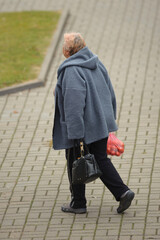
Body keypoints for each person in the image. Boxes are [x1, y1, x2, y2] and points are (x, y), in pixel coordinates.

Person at [52, 32, 135, 214]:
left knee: (75, 160)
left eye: (63, 46)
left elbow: (74, 106)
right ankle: (122, 192)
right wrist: (109, 121)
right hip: (100, 123)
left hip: (82, 127)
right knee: (99, 159)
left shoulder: (71, 70)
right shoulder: (96, 62)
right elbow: (110, 92)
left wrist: (75, 133)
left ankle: (78, 203)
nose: (62, 49)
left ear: (68, 51)